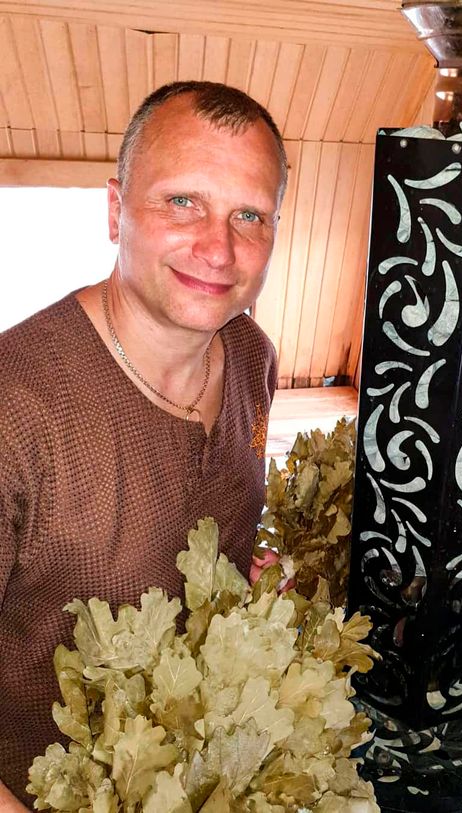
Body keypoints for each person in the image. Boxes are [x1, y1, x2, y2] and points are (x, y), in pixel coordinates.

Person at [0, 80, 287, 809]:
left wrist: (243, 584)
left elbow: (216, 518)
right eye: (182, 201)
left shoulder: (252, 357)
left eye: (249, 215)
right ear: (114, 210)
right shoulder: (14, 408)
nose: (219, 248)